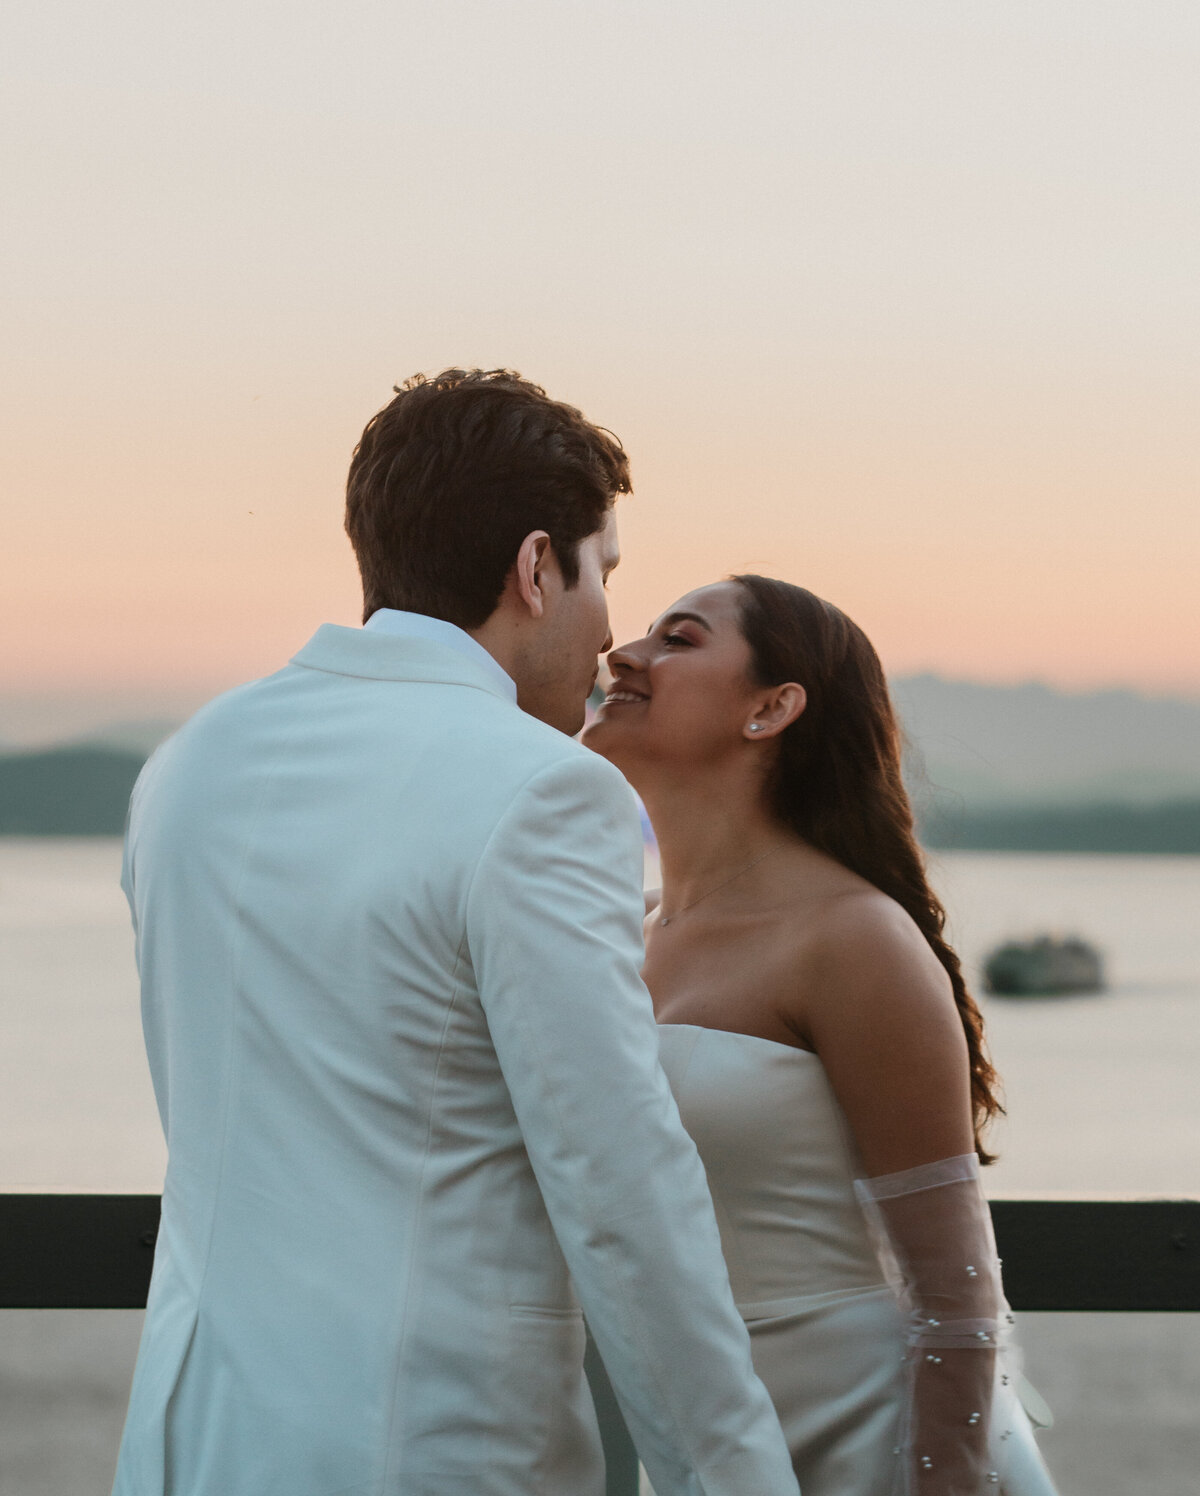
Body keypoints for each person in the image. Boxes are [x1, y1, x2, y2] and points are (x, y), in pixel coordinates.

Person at [112, 372, 798, 1496]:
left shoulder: (190, 764)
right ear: (536, 568)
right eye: (603, 573)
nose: (611, 631)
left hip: (187, 1447)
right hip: (427, 1450)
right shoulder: (544, 794)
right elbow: (623, 1194)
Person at [584, 575, 1059, 1496]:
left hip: (876, 1440)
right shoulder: (618, 936)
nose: (624, 654)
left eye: (677, 639)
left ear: (771, 708)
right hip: (708, 1441)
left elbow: (957, 1298)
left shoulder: (854, 940)